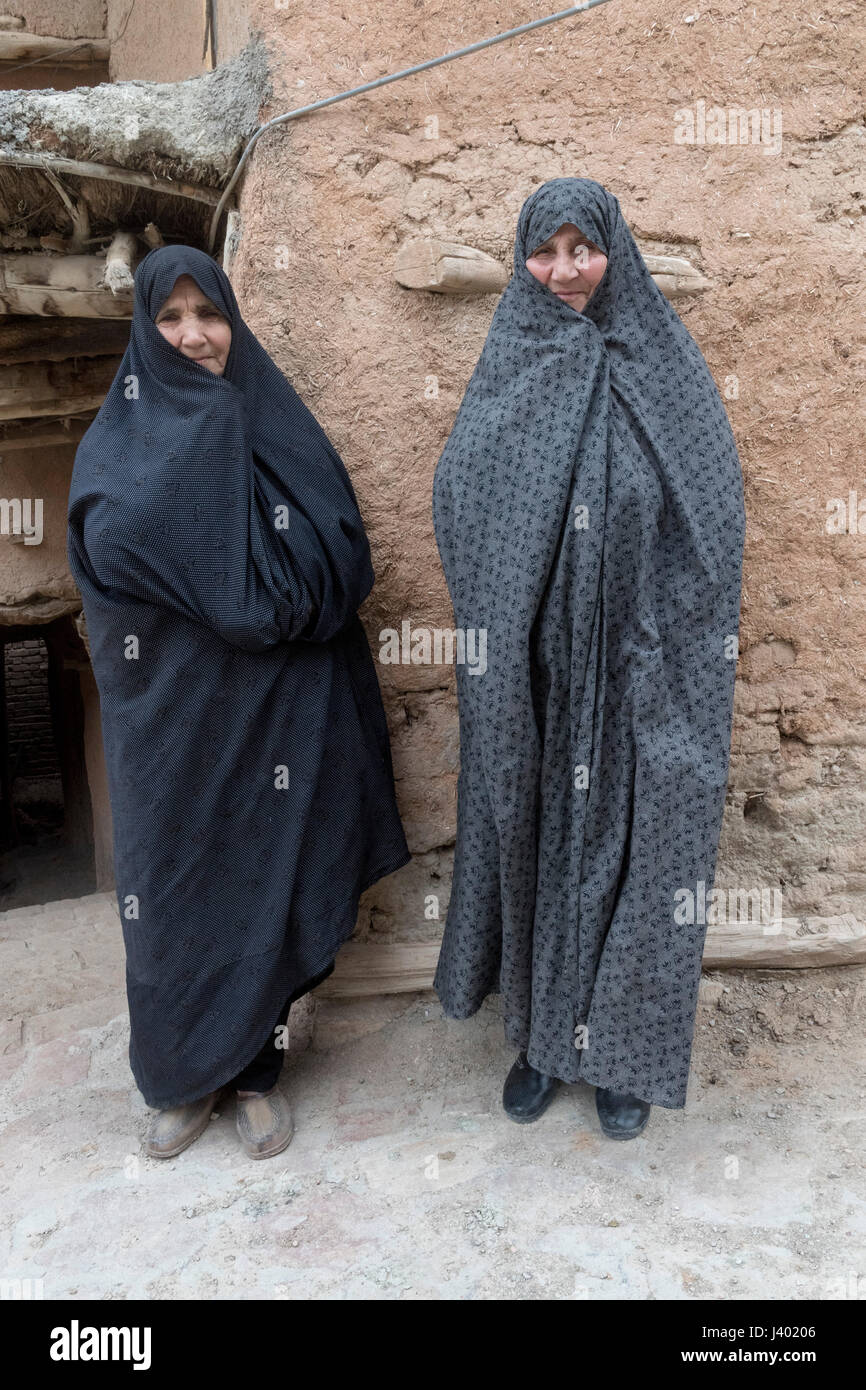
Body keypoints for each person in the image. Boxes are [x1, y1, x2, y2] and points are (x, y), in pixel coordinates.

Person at [67, 245, 410, 1160]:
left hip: (272, 722)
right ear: (145, 330)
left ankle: (257, 1072)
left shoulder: (274, 421)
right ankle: (180, 1080)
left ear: (232, 321)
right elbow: (117, 558)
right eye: (170, 318)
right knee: (173, 891)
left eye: (208, 313)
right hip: (172, 727)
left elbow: (338, 556)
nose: (193, 335)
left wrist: (257, 597)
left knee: (264, 878)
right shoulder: (115, 447)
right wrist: (237, 585)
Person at [431, 177, 745, 1139]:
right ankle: (535, 1042)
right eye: (545, 251)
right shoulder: (509, 368)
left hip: (643, 673)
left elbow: (716, 514)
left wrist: (661, 629)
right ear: (522, 261)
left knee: (644, 855)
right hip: (538, 674)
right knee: (532, 846)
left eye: (583, 249)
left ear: (616, 251)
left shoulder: (664, 364)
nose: (564, 271)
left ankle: (620, 1058)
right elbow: (463, 501)